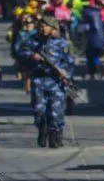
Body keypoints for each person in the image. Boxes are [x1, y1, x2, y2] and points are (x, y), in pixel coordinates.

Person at [17, 16, 74, 148]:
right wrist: (32, 56)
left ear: (52, 27)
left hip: (55, 81)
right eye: (41, 26)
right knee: (39, 110)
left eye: (46, 26)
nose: (43, 29)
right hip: (39, 80)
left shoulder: (61, 43)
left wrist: (66, 74)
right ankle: (42, 129)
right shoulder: (34, 42)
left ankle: (55, 136)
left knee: (56, 111)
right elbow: (20, 51)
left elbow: (69, 62)